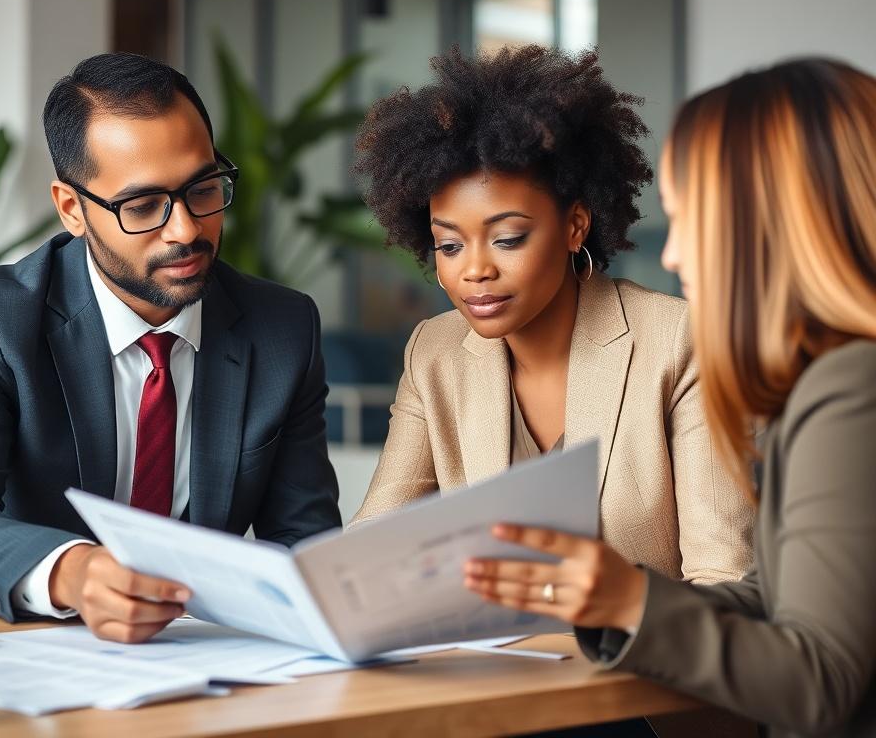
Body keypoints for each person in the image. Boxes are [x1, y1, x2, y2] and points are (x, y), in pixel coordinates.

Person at [463, 57, 876, 737]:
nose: (676, 254)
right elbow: (780, 600)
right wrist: (616, 598)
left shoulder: (848, 388)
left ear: (774, 224)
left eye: (692, 221)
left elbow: (818, 680)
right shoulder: (821, 382)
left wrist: (630, 601)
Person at [0, 53, 341, 643]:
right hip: (33, 653)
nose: (185, 229)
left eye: (203, 189)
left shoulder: (282, 327)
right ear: (72, 210)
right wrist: (75, 572)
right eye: (141, 207)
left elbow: (305, 543)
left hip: (210, 658)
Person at [351, 46, 753, 585]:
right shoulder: (434, 353)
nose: (475, 270)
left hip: (640, 659)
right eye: (449, 246)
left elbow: (723, 582)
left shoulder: (678, 343)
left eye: (508, 238)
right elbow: (370, 549)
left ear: (575, 227)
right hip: (489, 663)